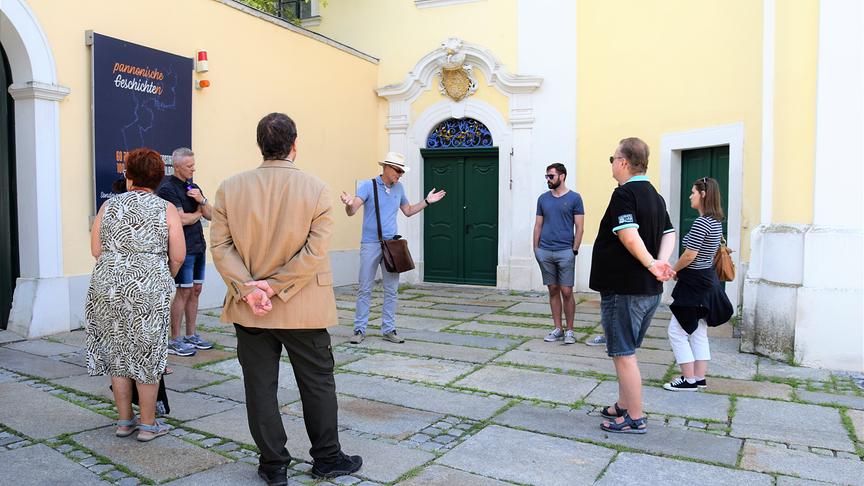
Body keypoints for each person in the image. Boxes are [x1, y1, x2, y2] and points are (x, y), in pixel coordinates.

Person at [211, 113, 362, 483]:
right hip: (303, 307)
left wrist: (250, 288)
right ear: (295, 144)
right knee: (317, 383)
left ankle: (273, 465)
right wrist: (274, 287)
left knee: (259, 387)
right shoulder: (316, 189)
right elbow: (314, 253)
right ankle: (327, 458)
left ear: (260, 145)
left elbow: (220, 246)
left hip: (251, 311)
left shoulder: (230, 187)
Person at [85, 148, 186, 442]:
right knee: (147, 354)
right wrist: (161, 272)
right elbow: (178, 254)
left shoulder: (109, 207)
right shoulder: (165, 208)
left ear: (128, 175)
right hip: (149, 285)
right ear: (158, 176)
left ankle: (123, 421)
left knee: (118, 353)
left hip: (107, 283)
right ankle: (148, 424)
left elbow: (95, 250)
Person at [589, 137, 676, 434]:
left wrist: (653, 264)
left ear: (624, 162)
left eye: (612, 158)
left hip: (625, 288)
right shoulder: (654, 195)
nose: (611, 164)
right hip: (647, 289)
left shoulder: (624, 194)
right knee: (625, 351)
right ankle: (624, 404)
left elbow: (628, 234)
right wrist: (660, 262)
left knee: (624, 353)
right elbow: (669, 232)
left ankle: (634, 417)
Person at [340, 152, 446, 344]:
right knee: (365, 288)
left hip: (392, 246)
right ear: (386, 168)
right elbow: (352, 210)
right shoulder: (367, 186)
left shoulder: (399, 188)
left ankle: (389, 329)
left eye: (402, 171)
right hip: (370, 244)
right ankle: (359, 329)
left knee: (392, 290)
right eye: (398, 170)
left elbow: (408, 211)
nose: (400, 174)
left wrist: (427, 201)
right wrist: (348, 205)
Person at [663, 177, 733, 391]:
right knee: (698, 330)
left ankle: (688, 379)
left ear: (703, 194)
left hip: (694, 285)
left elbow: (690, 255)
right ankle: (699, 377)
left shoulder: (702, 223)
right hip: (707, 281)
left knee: (676, 331)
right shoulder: (716, 221)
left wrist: (674, 269)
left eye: (693, 192)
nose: (690, 196)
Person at [157, 147, 214, 357]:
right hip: (183, 248)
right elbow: (180, 220)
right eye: (189, 166)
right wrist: (199, 212)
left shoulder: (194, 186)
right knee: (183, 291)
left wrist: (202, 201)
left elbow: (211, 214)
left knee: (196, 290)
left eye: (194, 165)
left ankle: (191, 335)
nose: (193, 169)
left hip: (199, 246)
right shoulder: (167, 188)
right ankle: (175, 339)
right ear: (178, 167)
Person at [534, 162, 585, 345]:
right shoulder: (543, 199)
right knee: (553, 289)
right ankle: (558, 328)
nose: (548, 179)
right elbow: (538, 225)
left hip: (566, 251)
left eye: (551, 176)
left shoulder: (575, 198)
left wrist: (575, 250)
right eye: (547, 176)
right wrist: (536, 249)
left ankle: (570, 330)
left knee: (567, 291)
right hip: (545, 251)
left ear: (562, 176)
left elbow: (579, 227)